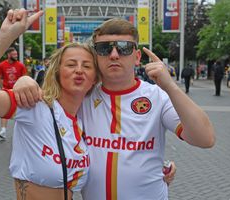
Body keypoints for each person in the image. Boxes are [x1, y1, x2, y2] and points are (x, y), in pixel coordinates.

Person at [14, 17, 215, 199]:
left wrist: (171, 86)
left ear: (137, 57)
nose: (114, 54)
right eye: (104, 48)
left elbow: (205, 139)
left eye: (124, 47)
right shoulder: (82, 96)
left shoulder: (157, 97)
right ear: (96, 57)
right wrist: (23, 81)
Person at [0, 9, 101, 200]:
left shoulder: (86, 118)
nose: (79, 70)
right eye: (71, 64)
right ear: (57, 72)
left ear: (94, 78)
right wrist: (4, 38)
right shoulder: (35, 106)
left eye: (87, 66)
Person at [0, 47, 27, 139]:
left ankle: (21, 132)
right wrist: (3, 88)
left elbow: (25, 78)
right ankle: (3, 130)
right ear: (8, 55)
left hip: (18, 91)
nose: (16, 56)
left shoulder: (20, 65)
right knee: (4, 110)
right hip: (6, 91)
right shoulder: (2, 65)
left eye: (16, 54)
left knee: (19, 111)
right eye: (14, 54)